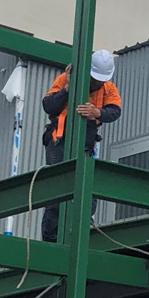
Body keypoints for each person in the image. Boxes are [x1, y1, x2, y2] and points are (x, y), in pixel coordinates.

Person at [40, 49, 121, 243]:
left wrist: (97, 113)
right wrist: (67, 89)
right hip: (59, 142)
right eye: (94, 79)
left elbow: (115, 111)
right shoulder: (66, 79)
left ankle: (82, 229)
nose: (96, 83)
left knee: (87, 189)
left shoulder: (108, 88)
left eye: (100, 80)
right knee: (58, 190)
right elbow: (48, 105)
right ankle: (52, 238)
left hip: (86, 145)